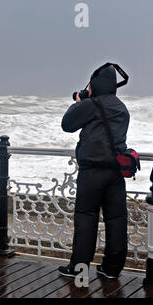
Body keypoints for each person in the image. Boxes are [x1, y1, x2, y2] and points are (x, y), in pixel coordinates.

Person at [59, 64, 130, 279]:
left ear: (94, 85)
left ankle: (79, 270)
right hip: (116, 173)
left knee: (86, 219)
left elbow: (67, 124)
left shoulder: (92, 105)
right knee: (116, 220)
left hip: (92, 173)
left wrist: (80, 102)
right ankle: (112, 269)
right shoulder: (121, 107)